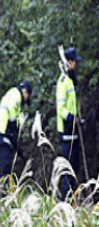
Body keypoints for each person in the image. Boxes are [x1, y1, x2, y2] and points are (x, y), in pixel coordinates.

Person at [0, 80, 32, 181]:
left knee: (6, 168)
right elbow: (12, 111)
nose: (26, 100)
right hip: (3, 135)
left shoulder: (12, 93)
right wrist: (14, 127)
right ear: (25, 92)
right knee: (6, 170)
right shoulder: (16, 95)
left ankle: (5, 193)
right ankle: (3, 195)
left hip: (1, 134)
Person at [57, 46, 82, 201]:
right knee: (67, 170)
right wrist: (72, 118)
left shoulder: (71, 81)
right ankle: (65, 202)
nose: (76, 65)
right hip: (66, 133)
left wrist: (79, 119)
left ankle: (72, 201)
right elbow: (61, 109)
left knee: (75, 167)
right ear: (70, 62)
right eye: (75, 62)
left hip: (74, 132)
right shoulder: (63, 82)